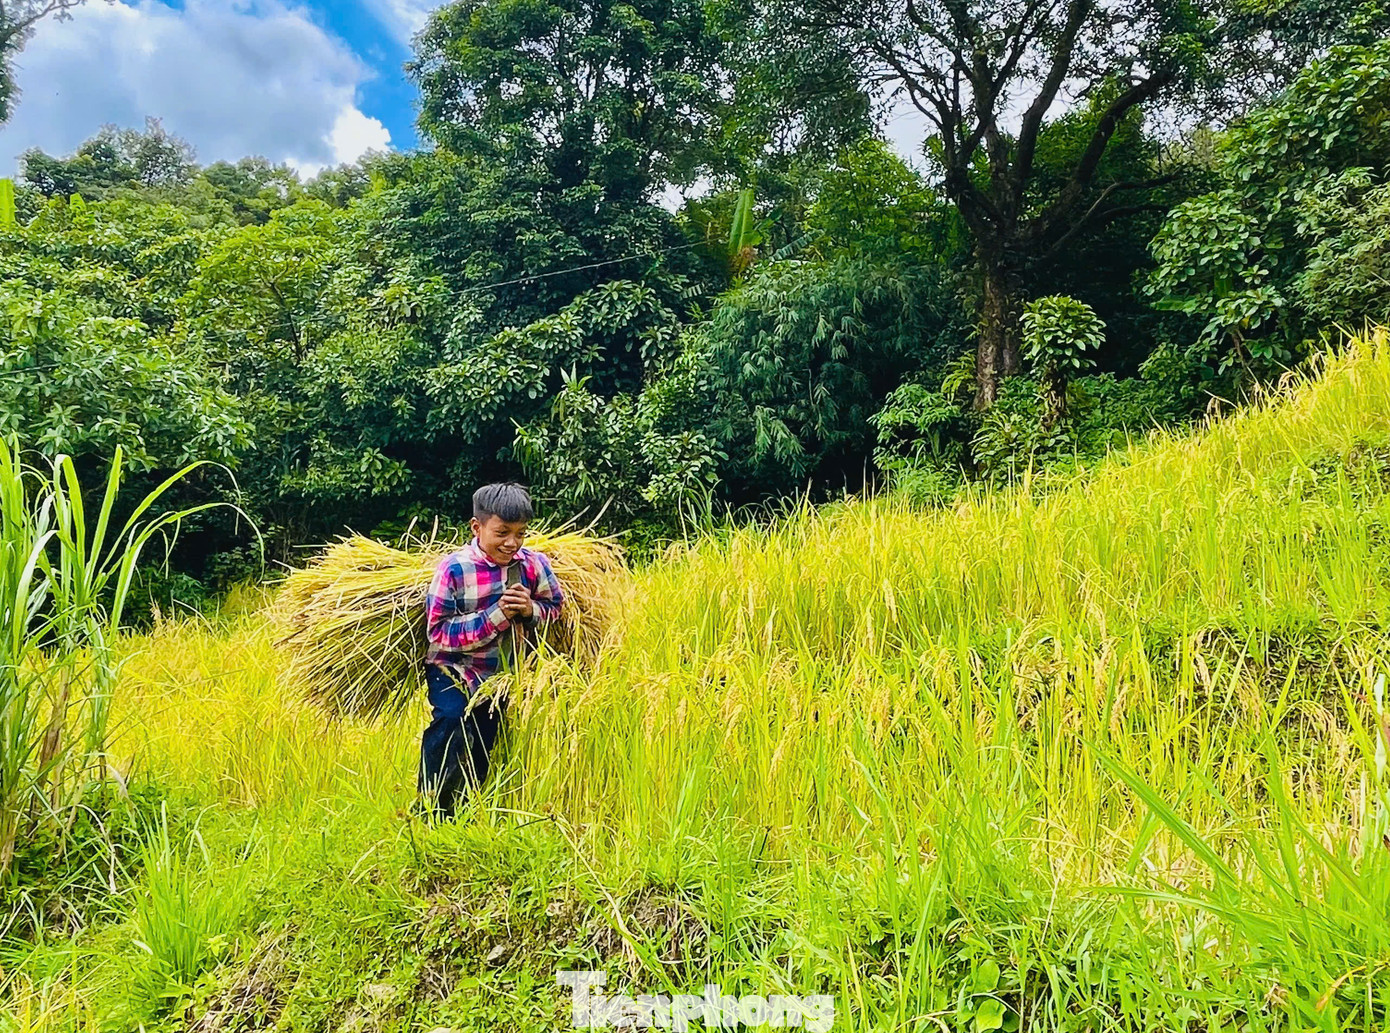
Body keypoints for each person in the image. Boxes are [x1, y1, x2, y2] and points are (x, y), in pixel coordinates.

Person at [419, 482, 565, 818]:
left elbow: (555, 607)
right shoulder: (454, 569)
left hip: (501, 674)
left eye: (520, 533)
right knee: (451, 722)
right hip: (452, 668)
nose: (512, 542)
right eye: (502, 533)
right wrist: (497, 616)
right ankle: (431, 811)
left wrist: (529, 610)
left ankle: (469, 813)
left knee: (484, 741)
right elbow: (438, 632)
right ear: (477, 527)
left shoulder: (534, 566)